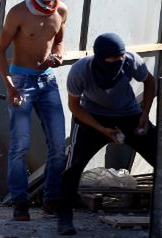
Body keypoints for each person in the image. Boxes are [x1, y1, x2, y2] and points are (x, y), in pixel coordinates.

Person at [56, 32, 156, 235]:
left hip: (129, 115)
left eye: (119, 59)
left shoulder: (131, 61)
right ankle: (64, 217)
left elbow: (150, 82)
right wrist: (101, 129)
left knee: (158, 153)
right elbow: (75, 107)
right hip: (92, 117)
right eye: (111, 60)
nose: (117, 63)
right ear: (100, 59)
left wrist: (144, 114)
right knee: (73, 165)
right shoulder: (80, 70)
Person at [0, 0, 68, 221]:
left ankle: (51, 199)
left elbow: (58, 41)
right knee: (20, 147)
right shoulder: (17, 13)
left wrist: (58, 56)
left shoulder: (61, 10)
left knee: (60, 147)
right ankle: (20, 203)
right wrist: (9, 85)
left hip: (48, 82)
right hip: (21, 81)